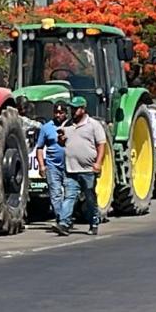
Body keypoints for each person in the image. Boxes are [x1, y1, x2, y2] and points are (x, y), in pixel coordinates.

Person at [58, 95, 108, 236]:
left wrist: (98, 163)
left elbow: (101, 145)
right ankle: (64, 223)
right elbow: (62, 142)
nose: (73, 111)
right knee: (69, 196)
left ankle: (94, 222)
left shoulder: (93, 125)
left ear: (83, 109)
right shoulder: (66, 125)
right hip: (71, 168)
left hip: (87, 169)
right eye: (71, 108)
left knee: (90, 198)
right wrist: (60, 140)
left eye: (76, 108)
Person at [35, 101, 71, 233]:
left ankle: (65, 218)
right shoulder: (46, 128)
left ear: (66, 113)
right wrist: (41, 166)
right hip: (52, 166)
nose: (58, 115)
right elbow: (39, 148)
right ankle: (62, 219)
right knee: (55, 194)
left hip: (70, 166)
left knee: (70, 193)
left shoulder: (72, 126)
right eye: (56, 112)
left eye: (61, 112)